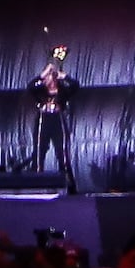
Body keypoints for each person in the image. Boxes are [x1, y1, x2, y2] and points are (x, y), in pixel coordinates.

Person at [31, 46, 79, 186]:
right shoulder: (40, 91)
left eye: (50, 76)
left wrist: (64, 76)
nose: (47, 78)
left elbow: (75, 86)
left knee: (62, 153)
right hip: (43, 120)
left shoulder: (63, 90)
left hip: (58, 120)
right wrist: (42, 74)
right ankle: (36, 183)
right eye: (46, 76)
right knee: (39, 152)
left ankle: (68, 185)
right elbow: (30, 87)